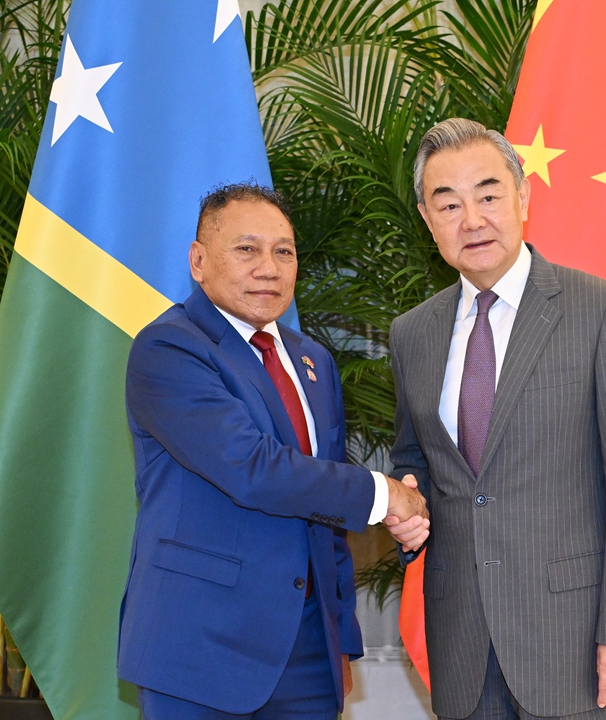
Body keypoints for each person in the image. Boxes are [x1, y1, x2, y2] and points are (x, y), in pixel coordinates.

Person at [383, 118, 606, 720]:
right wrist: (408, 505)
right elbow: (416, 459)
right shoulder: (413, 334)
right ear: (427, 219)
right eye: (449, 204)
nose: (473, 219)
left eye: (488, 196)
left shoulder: (600, 312)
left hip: (573, 638)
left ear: (523, 197)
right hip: (462, 635)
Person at [119, 183, 429, 720]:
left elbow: (323, 504)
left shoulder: (313, 361)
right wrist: (385, 496)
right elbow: (252, 469)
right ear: (198, 261)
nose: (269, 267)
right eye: (246, 249)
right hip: (200, 648)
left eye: (283, 251)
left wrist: (341, 641)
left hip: (309, 651)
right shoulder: (170, 348)